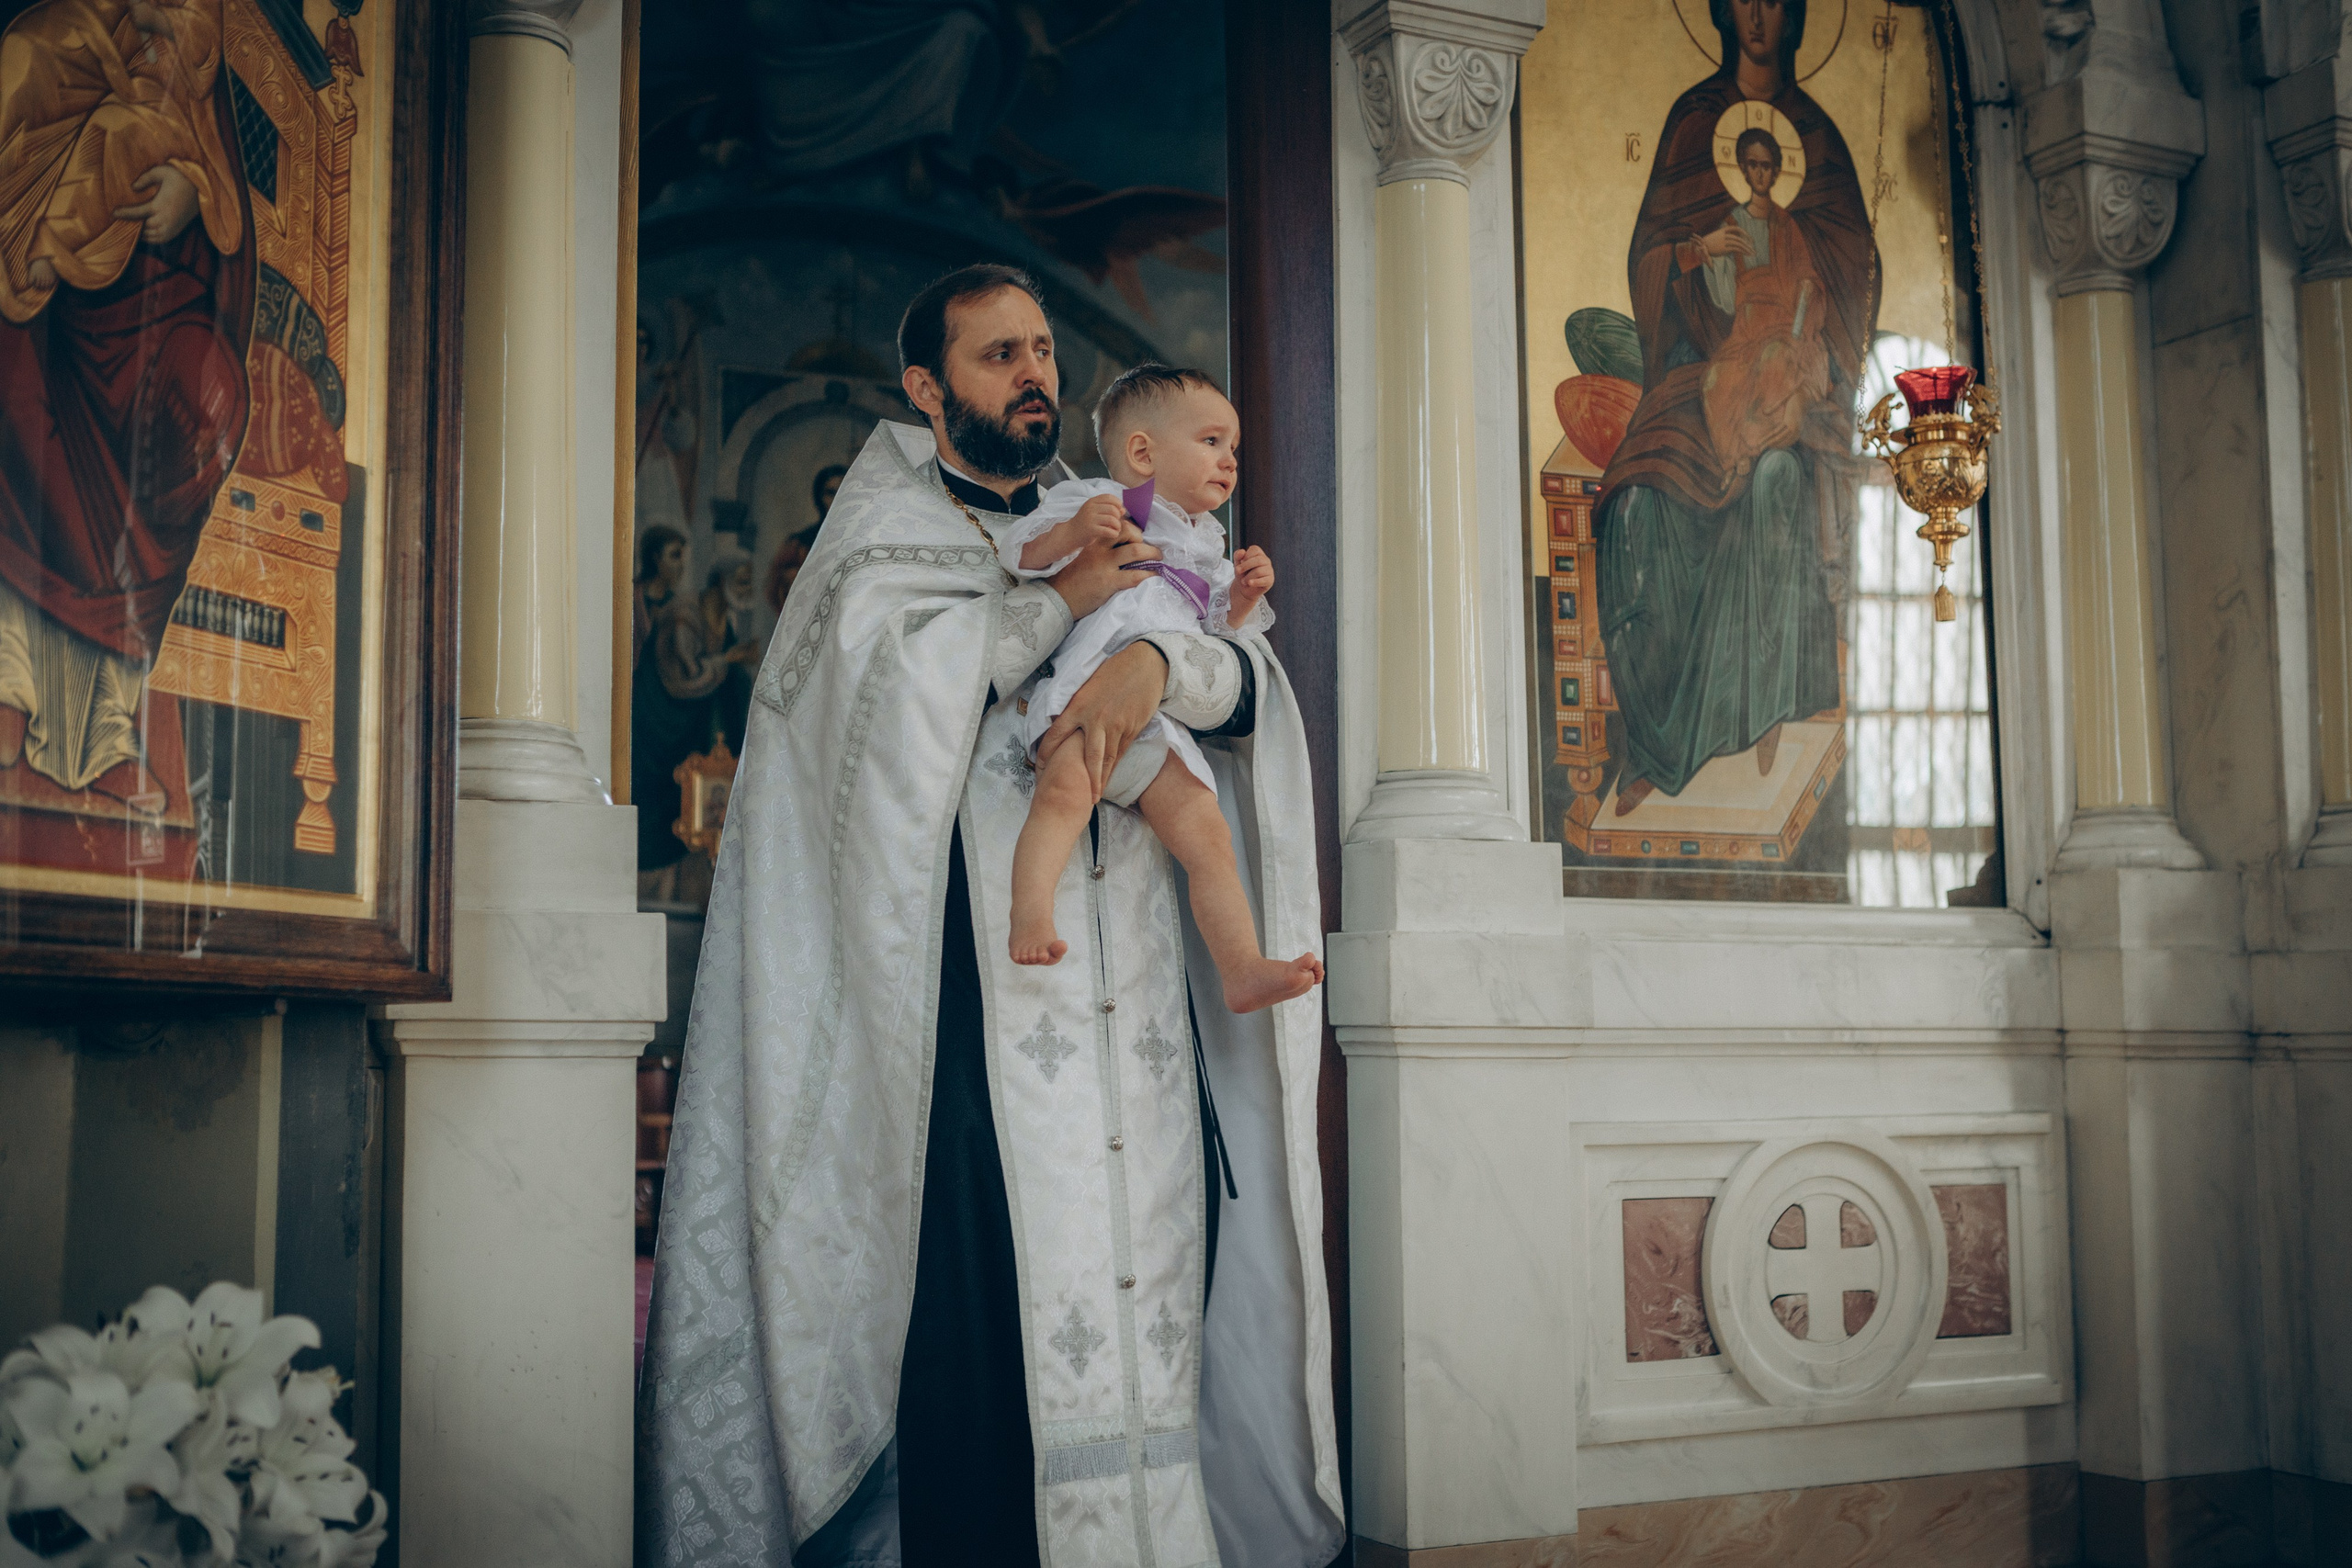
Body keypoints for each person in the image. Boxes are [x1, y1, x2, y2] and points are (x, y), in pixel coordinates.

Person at [639, 265, 1343, 1568]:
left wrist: (1151, 656)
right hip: (961, 1014)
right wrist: (1061, 609)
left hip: (1135, 989)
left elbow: (1247, 681)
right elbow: (892, 719)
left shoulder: (1108, 506)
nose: (1033, 374)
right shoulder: (879, 540)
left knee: (1153, 1283)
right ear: (928, 387)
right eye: (995, 355)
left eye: (1041, 351)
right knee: (973, 1325)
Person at [1596, 0, 1871, 811]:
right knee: (1638, 503)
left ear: (1796, 13)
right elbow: (1652, 257)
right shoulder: (1691, 127)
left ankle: (1757, 715)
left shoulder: (1818, 143)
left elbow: (1848, 274)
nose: (1758, 13)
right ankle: (1653, 742)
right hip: (1692, 374)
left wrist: (1802, 327)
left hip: (1790, 376)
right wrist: (1694, 251)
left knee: (1778, 475)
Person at [994, 364, 1320, 1014]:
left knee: (1208, 836)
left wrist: (1245, 595)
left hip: (1161, 724)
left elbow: (1214, 630)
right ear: (1143, 452)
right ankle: (1029, 916)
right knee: (1061, 796)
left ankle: (1242, 967)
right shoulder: (1093, 498)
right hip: (1086, 693)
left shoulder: (1206, 544)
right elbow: (1018, 552)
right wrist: (1074, 532)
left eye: (1232, 448)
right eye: (1211, 442)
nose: (1229, 460)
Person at [0, 0, 250, 798]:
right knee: (19, 415)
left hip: (152, 305)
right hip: (35, 315)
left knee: (209, 403)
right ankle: (10, 688)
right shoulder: (55, 35)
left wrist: (196, 192)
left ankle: (103, 728)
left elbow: (222, 193)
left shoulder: (190, 46)